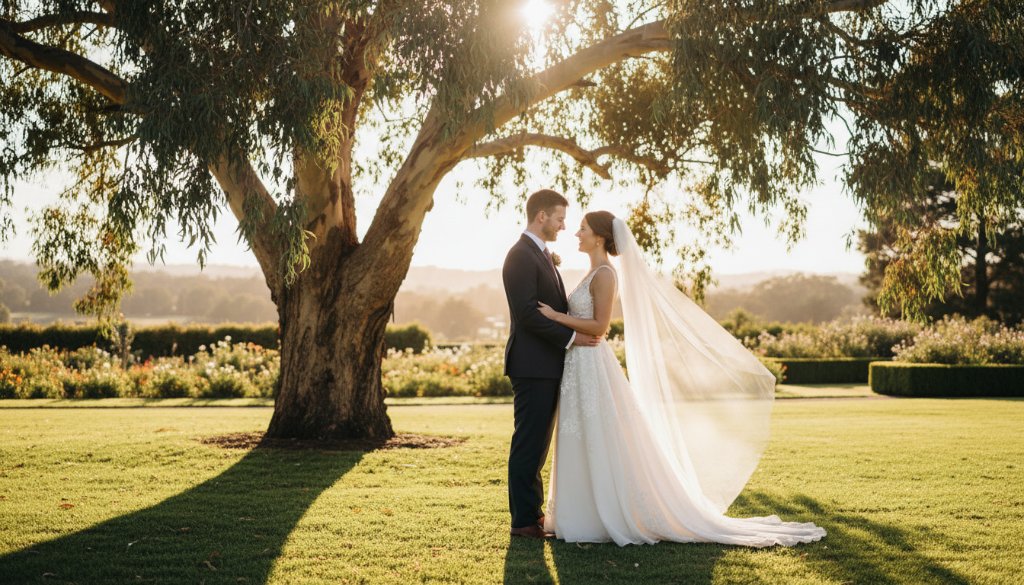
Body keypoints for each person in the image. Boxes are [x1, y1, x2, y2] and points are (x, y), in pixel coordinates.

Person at [536, 210, 826, 547]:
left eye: (583, 228)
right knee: (582, 433)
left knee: (597, 434)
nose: (577, 233)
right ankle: (580, 513)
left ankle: (602, 514)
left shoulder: (605, 275)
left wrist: (556, 317)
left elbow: (600, 326)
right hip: (579, 363)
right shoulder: (591, 272)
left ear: (600, 236)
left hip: (591, 364)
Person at [501, 189, 601, 539]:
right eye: (559, 218)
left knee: (538, 445)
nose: (563, 226)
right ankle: (523, 521)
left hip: (544, 365)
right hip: (532, 366)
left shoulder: (540, 254)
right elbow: (527, 314)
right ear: (541, 216)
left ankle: (533, 513)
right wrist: (572, 338)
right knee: (529, 443)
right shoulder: (520, 256)